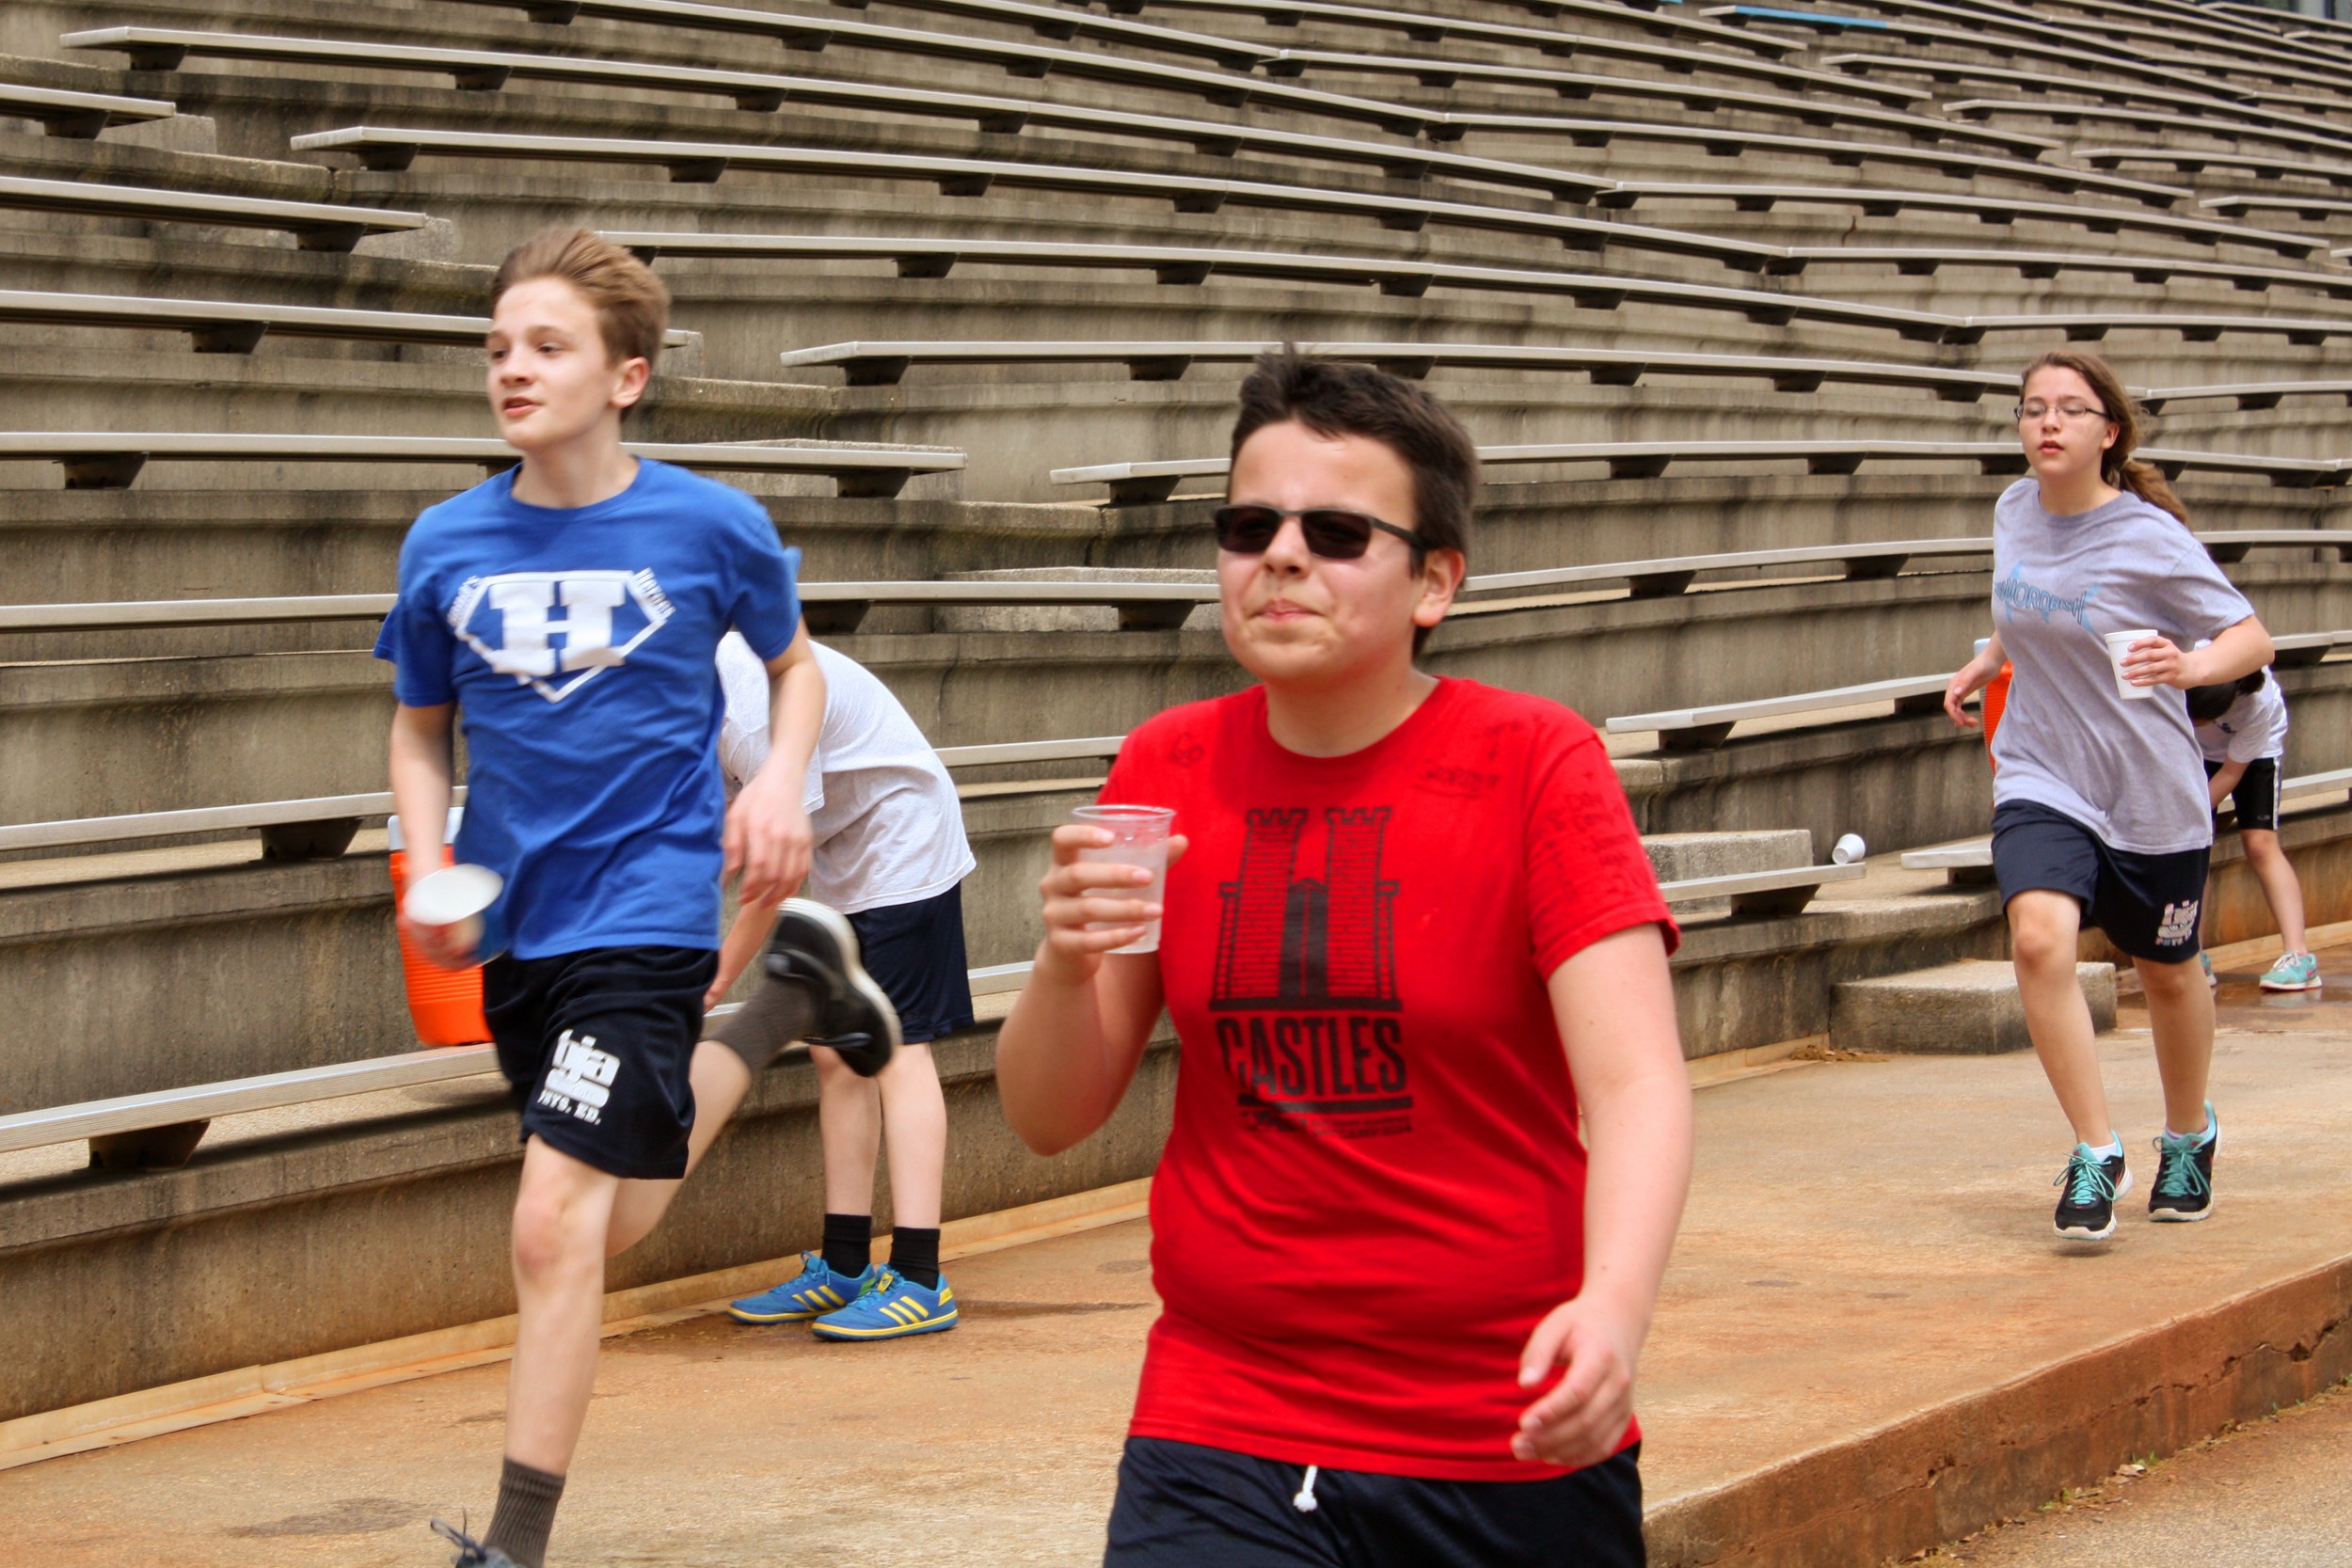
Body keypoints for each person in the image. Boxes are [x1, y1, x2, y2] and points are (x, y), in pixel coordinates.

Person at [995, 350, 1693, 1567]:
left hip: (1503, 1424)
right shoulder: (1165, 766)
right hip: (1224, 1409)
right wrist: (1062, 963)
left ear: (1435, 580)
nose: (1280, 555)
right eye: (1249, 525)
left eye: (1335, 531)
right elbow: (1049, 1115)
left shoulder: (1537, 762)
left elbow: (1636, 1081)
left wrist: (1614, 1307)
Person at [381, 228, 897, 1568]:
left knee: (550, 1220)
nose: (513, 367)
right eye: (499, 345)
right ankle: (779, 1004)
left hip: (649, 906)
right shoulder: (445, 541)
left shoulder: (710, 524)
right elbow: (420, 726)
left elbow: (796, 667)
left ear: (627, 376)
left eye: (547, 345)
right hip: (518, 925)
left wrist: (776, 782)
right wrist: (428, 862)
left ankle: (511, 1546)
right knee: (613, 1213)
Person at [1944, 348, 2274, 1243]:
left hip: (2148, 790)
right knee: (2038, 937)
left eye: (2069, 408)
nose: (2047, 422)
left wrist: (2191, 665)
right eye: (2032, 407)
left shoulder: (2148, 537)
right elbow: (2033, 605)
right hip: (2043, 772)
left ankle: (2189, 1135)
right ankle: (2097, 1148)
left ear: (2109, 432)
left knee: (2167, 972)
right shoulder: (2014, 508)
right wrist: (1990, 657)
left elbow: (2252, 638)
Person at [709, 631, 978, 1338]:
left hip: (902, 839)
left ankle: (920, 1276)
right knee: (836, 1055)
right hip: (844, 852)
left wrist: (720, 974)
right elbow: (715, 842)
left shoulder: (748, 704)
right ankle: (845, 1264)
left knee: (898, 1051)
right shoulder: (689, 696)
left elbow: (778, 868)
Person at [2188, 667, 2317, 991]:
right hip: (2195, 752)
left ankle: (2299, 956)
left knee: (2260, 843)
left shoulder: (2256, 702)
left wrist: (2188, 814)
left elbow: (2231, 774)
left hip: (2256, 752)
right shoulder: (2187, 662)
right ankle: (2192, 954)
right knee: (2194, 844)